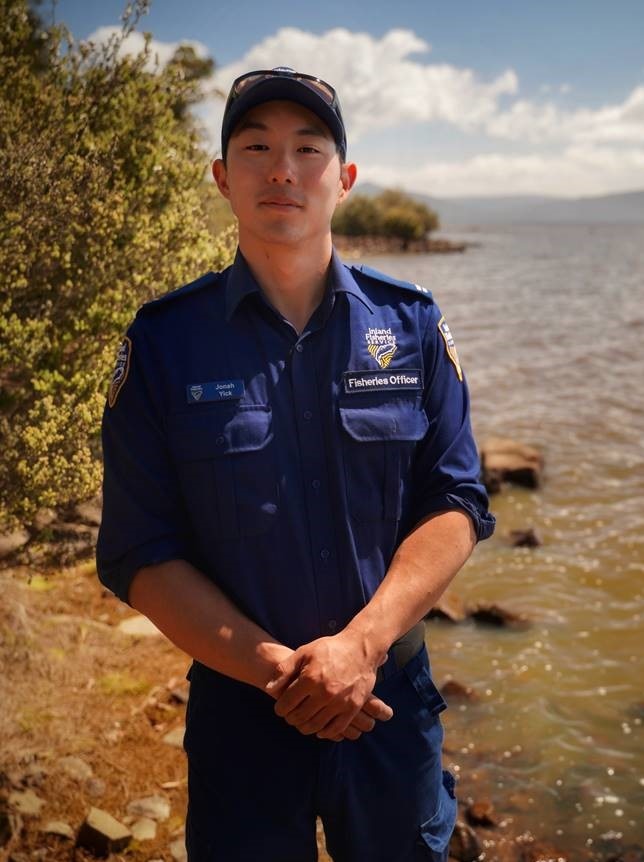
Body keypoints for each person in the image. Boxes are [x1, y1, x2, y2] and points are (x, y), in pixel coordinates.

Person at [96, 67, 495, 862]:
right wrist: (281, 670)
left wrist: (361, 648)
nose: (282, 169)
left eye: (307, 148)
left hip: (389, 702)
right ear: (222, 178)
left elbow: (455, 502)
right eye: (256, 147)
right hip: (242, 710)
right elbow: (140, 549)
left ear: (343, 180)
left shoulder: (410, 325)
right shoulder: (165, 344)